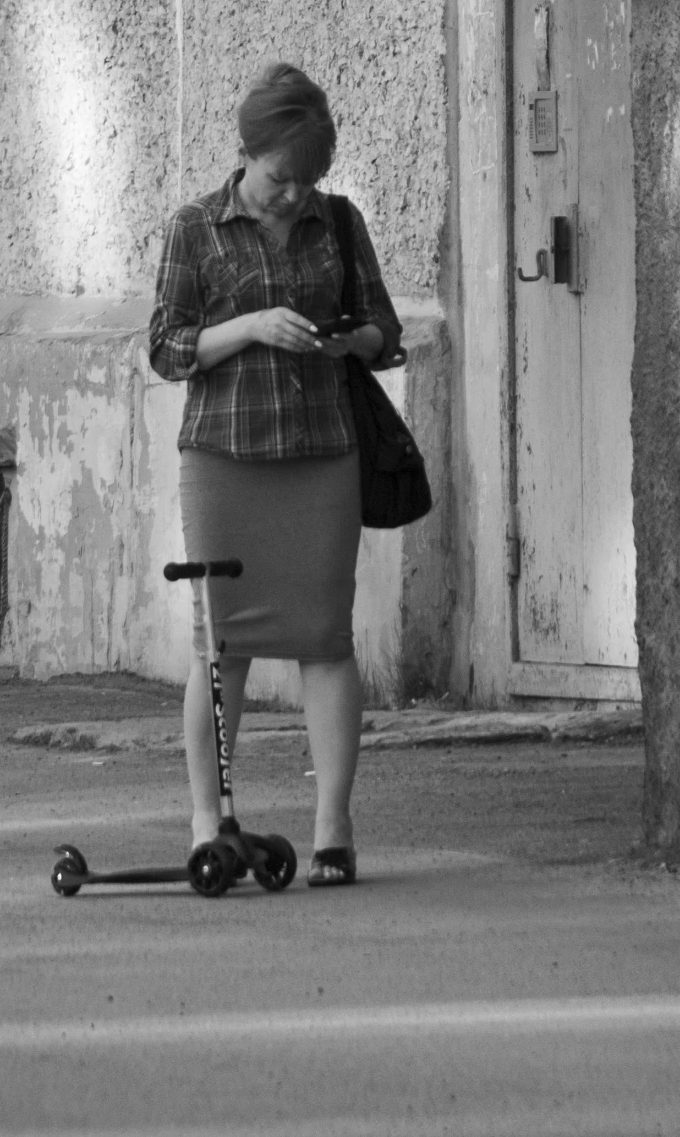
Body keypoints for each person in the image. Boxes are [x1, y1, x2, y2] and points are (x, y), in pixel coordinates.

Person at [149, 62, 403, 888]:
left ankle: (333, 830)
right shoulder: (194, 227)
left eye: (308, 181)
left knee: (325, 640)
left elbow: (383, 328)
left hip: (323, 451)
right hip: (224, 457)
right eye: (279, 177)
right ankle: (207, 818)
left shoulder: (338, 221)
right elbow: (165, 348)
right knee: (220, 646)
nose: (293, 195)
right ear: (246, 152)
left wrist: (346, 341)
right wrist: (251, 325)